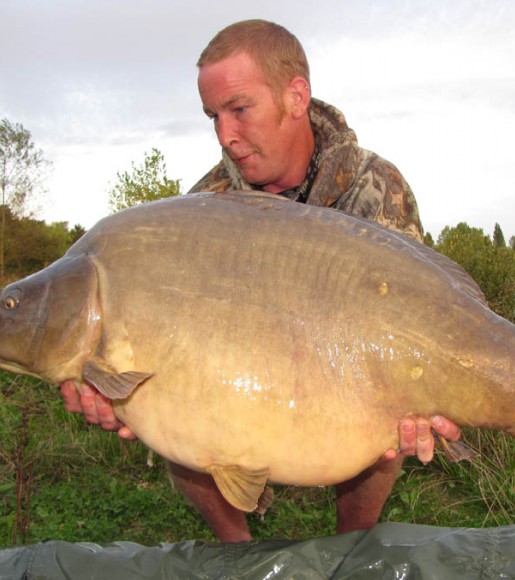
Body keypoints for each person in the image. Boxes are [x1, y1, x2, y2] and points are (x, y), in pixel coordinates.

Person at [61, 19, 462, 542]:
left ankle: (352, 544)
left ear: (296, 97)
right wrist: (113, 384)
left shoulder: (374, 186)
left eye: (239, 109)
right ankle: (240, 556)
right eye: (213, 116)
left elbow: (419, 320)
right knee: (179, 434)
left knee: (387, 425)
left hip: (343, 387)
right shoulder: (206, 206)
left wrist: (431, 407)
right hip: (244, 383)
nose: (225, 135)